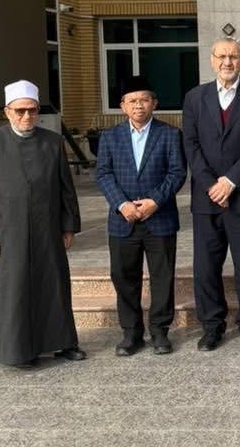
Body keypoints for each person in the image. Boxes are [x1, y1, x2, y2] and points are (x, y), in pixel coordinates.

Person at [0, 80, 85, 366]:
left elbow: (65, 189)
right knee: (13, 292)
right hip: (7, 233)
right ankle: (17, 351)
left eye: (32, 110)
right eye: (20, 111)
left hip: (47, 230)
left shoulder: (52, 141)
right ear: (7, 111)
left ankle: (62, 343)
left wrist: (68, 226)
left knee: (53, 287)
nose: (27, 116)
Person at [182, 38, 240, 351]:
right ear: (211, 60)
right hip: (207, 200)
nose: (227, 62)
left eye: (233, 56)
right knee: (206, 269)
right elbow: (191, 144)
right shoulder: (195, 98)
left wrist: (231, 181)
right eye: (221, 56)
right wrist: (212, 184)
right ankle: (212, 326)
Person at [95, 76, 187, 356]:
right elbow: (103, 173)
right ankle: (131, 333)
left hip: (159, 218)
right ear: (123, 106)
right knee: (124, 277)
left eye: (144, 100)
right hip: (123, 220)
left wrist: (154, 202)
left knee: (162, 276)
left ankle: (159, 332)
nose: (138, 105)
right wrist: (122, 204)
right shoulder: (110, 137)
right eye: (132, 101)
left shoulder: (170, 134)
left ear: (154, 103)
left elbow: (177, 173)